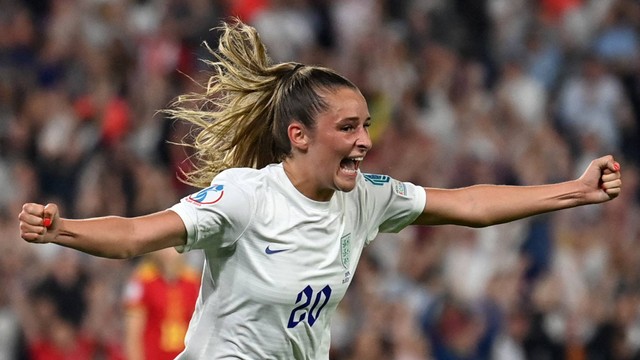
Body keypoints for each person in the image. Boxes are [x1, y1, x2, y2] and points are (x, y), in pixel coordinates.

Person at [18, 19, 622, 360]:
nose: (365, 140)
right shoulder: (245, 196)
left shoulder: (366, 197)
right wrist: (62, 230)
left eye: (365, 125)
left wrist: (574, 189)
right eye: (349, 127)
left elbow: (466, 203)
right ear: (300, 135)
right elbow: (135, 235)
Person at [123, 247, 200, 360]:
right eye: (165, 247)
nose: (169, 253)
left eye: (174, 246)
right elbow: (133, 336)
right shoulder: (142, 281)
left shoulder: (193, 281)